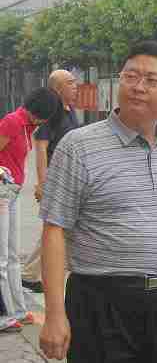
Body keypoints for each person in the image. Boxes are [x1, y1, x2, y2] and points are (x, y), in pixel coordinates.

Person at [38, 41, 157, 362]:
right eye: (131, 76)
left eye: (151, 80)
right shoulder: (78, 146)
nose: (138, 87)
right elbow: (54, 230)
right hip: (100, 305)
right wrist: (55, 314)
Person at [0, 87, 60, 333]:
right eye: (43, 116)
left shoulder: (27, 126)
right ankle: (3, 315)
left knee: (13, 256)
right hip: (2, 191)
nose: (43, 122)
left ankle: (18, 310)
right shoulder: (13, 122)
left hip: (12, 193)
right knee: (2, 258)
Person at [22, 70, 80, 293]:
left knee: (60, 227)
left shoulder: (70, 110)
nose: (75, 86)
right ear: (57, 88)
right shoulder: (51, 112)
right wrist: (42, 184)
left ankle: (31, 273)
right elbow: (41, 149)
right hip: (56, 179)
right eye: (70, 83)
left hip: (71, 177)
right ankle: (32, 273)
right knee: (56, 227)